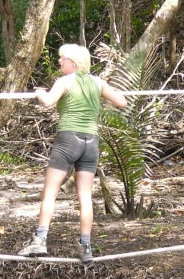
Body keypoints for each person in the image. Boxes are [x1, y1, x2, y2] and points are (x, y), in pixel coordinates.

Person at [18, 44, 127, 264]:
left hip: (68, 140)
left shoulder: (65, 81)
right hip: (91, 142)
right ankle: (85, 247)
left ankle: (40, 241)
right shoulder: (97, 82)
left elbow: (48, 102)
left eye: (63, 58)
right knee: (85, 196)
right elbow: (122, 102)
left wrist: (40, 93)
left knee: (50, 190)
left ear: (74, 62)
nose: (60, 62)